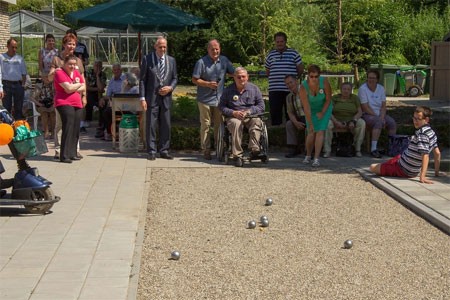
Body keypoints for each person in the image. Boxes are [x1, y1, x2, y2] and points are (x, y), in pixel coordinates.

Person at [369, 106, 441, 184]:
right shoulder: (431, 132)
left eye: (418, 119)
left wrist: (422, 177)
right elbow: (437, 153)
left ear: (426, 120)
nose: (415, 121)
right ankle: (387, 165)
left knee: (372, 167)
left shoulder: (422, 135)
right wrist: (436, 173)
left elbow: (425, 155)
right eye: (414, 118)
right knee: (395, 159)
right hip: (406, 164)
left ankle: (385, 166)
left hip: (403, 169)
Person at [192, 39, 235, 160]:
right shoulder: (201, 62)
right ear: (208, 50)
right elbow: (194, 79)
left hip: (219, 99)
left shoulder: (224, 60)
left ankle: (219, 148)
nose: (215, 51)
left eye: (217, 49)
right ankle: (206, 149)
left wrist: (241, 75)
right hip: (204, 99)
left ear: (220, 49)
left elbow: (233, 72)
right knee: (205, 125)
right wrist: (207, 84)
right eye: (212, 49)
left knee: (219, 125)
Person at [48, 32, 86, 160]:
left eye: (74, 44)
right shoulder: (57, 59)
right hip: (61, 96)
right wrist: (55, 73)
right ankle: (59, 150)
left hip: (75, 97)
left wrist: (84, 95)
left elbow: (82, 80)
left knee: (74, 124)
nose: (71, 46)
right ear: (64, 44)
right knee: (60, 125)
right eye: (69, 43)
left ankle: (74, 150)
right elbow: (49, 77)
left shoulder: (78, 60)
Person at [139, 36, 178, 160]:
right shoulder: (147, 59)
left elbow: (175, 78)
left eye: (165, 47)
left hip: (166, 98)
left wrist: (170, 88)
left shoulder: (171, 60)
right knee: (151, 124)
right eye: (160, 47)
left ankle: (164, 150)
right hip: (152, 97)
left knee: (166, 124)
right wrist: (142, 98)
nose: (162, 49)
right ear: (155, 46)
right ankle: (151, 151)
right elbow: (142, 80)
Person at [219, 67, 265, 167]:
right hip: (234, 117)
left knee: (257, 121)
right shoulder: (228, 90)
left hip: (250, 116)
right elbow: (221, 106)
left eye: (243, 76)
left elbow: (261, 106)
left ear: (247, 77)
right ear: (234, 78)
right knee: (236, 124)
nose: (241, 79)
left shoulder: (254, 89)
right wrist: (233, 112)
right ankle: (237, 154)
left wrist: (249, 111)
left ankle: (255, 149)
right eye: (238, 77)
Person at [265, 32, 304, 126]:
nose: (279, 43)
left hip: (290, 90)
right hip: (275, 89)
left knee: (291, 113)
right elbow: (267, 71)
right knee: (275, 113)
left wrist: (294, 80)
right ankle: (276, 134)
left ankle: (292, 133)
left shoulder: (294, 53)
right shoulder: (270, 55)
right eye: (277, 42)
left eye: (281, 41)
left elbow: (300, 69)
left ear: (285, 41)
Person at [53, 55, 85, 163]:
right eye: (70, 64)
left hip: (77, 103)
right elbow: (68, 89)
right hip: (64, 102)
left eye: (74, 64)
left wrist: (76, 85)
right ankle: (64, 155)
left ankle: (73, 153)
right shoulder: (59, 73)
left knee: (76, 128)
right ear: (64, 64)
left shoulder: (76, 72)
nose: (72, 66)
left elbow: (84, 86)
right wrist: (77, 85)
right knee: (67, 126)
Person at [358, 69, 396, 158]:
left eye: (373, 78)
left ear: (377, 79)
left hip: (379, 114)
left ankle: (391, 147)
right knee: (378, 122)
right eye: (369, 78)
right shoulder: (362, 89)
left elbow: (383, 106)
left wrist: (382, 117)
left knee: (392, 123)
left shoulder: (381, 88)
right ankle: (373, 149)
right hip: (367, 114)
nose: (370, 80)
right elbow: (365, 107)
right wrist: (378, 118)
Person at [299, 64, 332, 167]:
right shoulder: (303, 87)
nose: (314, 78)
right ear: (308, 75)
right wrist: (310, 123)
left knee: (320, 131)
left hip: (324, 108)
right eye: (311, 76)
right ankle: (308, 155)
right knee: (311, 132)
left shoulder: (325, 82)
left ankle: (316, 158)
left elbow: (328, 99)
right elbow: (306, 107)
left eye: (316, 76)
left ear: (319, 76)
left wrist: (322, 112)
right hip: (311, 110)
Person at [323, 82, 365, 158]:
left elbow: (360, 112)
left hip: (351, 120)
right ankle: (327, 150)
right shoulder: (335, 98)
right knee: (327, 124)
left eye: (348, 89)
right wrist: (335, 121)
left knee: (362, 123)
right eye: (344, 89)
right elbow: (328, 111)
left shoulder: (354, 98)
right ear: (341, 90)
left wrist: (354, 121)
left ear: (351, 90)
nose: (346, 91)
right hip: (336, 119)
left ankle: (357, 149)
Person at [0, 38, 27, 120]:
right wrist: (0, 88)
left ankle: (18, 128)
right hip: (6, 85)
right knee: (6, 108)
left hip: (18, 85)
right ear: (7, 46)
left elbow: (24, 73)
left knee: (18, 108)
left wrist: (23, 85)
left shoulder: (20, 58)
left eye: (16, 47)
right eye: (12, 47)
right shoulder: (1, 57)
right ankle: (7, 128)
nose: (14, 49)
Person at [97, 63, 124, 141]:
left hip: (125, 102)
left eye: (118, 70)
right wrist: (102, 99)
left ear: (121, 70)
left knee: (107, 111)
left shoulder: (126, 79)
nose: (116, 72)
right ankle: (108, 132)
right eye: (114, 70)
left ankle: (113, 131)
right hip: (114, 102)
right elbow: (108, 94)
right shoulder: (112, 81)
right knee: (104, 107)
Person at [284, 74, 306, 158]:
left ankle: (310, 149)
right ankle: (293, 148)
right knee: (289, 124)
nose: (289, 85)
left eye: (291, 82)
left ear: (296, 81)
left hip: (310, 117)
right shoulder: (289, 97)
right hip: (299, 118)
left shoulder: (306, 91)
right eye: (287, 84)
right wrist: (296, 122)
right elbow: (290, 112)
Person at [85, 60, 106, 130]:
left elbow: (101, 88)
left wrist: (97, 76)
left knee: (102, 101)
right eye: (96, 66)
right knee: (89, 97)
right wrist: (98, 89)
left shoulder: (103, 74)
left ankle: (101, 121)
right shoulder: (88, 73)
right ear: (93, 66)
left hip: (99, 94)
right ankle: (88, 119)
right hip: (90, 93)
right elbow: (87, 87)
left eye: (99, 66)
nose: (98, 68)